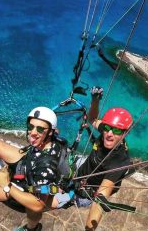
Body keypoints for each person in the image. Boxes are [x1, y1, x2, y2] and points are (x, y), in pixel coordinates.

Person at [53, 86, 133, 231]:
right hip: (82, 167)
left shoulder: (120, 161)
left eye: (116, 131)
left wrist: (89, 229)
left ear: (125, 133)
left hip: (84, 190)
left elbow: (102, 195)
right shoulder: (109, 130)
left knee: (47, 200)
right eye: (107, 128)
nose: (109, 133)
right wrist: (95, 100)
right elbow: (93, 119)